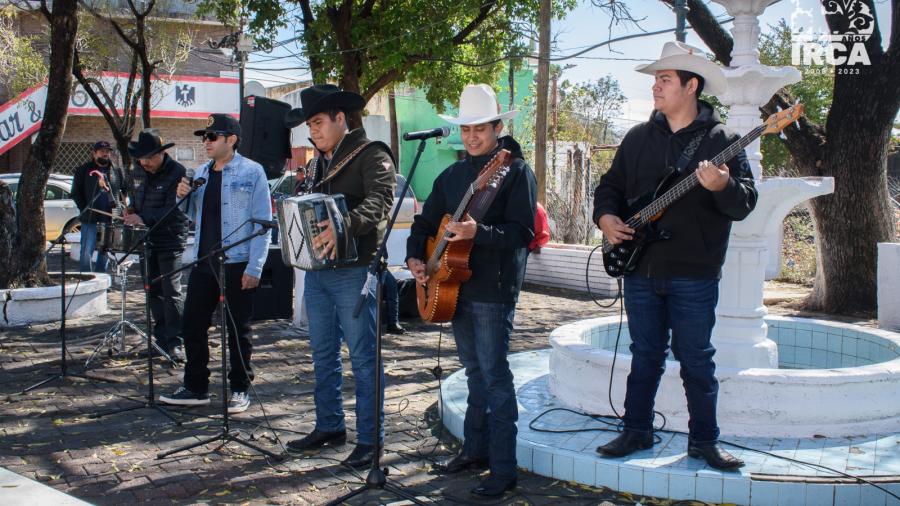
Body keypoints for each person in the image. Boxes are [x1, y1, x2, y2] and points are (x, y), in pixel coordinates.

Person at [592, 42, 758, 470]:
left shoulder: (723, 141)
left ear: (691, 86)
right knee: (643, 355)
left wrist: (723, 187)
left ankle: (704, 441)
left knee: (697, 359)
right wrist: (606, 217)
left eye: (665, 80)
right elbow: (609, 186)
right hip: (640, 267)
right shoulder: (637, 138)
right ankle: (636, 430)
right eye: (655, 80)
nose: (656, 87)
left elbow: (745, 202)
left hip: (694, 272)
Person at [406, 84, 536, 498]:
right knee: (474, 374)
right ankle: (475, 451)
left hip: (493, 291)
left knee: (495, 377)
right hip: (453, 287)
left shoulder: (514, 172)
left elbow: (522, 233)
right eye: (466, 130)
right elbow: (424, 225)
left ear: (498, 127)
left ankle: (503, 468)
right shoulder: (453, 175)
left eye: (481, 128)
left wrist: (479, 232)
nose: (472, 136)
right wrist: (415, 259)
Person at [282, 84, 396, 469]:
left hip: (355, 271)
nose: (312, 130)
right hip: (318, 273)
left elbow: (381, 202)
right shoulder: (318, 163)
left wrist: (345, 225)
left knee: (364, 358)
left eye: (317, 122)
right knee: (322, 354)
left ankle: (370, 440)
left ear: (341, 119)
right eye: (309, 124)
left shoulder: (371, 154)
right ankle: (330, 425)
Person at [158, 114, 272, 414]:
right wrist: (182, 196)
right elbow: (190, 214)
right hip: (204, 262)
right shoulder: (201, 173)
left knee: (238, 330)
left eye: (212, 137)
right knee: (193, 324)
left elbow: (264, 222)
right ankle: (196, 386)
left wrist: (255, 267)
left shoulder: (252, 172)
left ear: (231, 139)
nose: (205, 142)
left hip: (237, 261)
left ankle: (239, 388)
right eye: (204, 137)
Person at [124, 129, 189, 362]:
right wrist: (133, 212)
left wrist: (144, 218)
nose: (145, 163)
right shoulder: (141, 172)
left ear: (162, 154)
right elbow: (139, 202)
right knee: (153, 292)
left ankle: (176, 343)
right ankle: (160, 341)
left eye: (150, 158)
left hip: (170, 239)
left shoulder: (177, 172)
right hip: (147, 241)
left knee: (171, 293)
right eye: (142, 158)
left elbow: (174, 209)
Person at [71, 140, 125, 272]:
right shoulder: (83, 170)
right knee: (86, 251)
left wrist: (120, 210)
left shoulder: (115, 171)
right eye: (102, 151)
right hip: (90, 219)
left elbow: (122, 192)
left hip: (109, 219)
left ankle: (101, 280)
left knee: (104, 252)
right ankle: (85, 279)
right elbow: (76, 193)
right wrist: (85, 209)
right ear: (94, 154)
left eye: (107, 152)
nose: (105, 154)